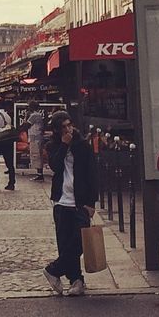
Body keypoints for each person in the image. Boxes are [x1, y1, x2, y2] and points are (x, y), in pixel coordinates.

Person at [42, 112, 99, 297]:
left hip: (80, 202)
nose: (68, 129)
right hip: (61, 201)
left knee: (80, 242)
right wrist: (64, 145)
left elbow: (92, 173)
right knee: (65, 243)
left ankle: (53, 270)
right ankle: (76, 280)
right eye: (64, 127)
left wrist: (91, 202)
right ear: (57, 131)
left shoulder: (82, 145)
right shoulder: (53, 146)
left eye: (70, 125)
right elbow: (55, 167)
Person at [27, 107, 46, 181]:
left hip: (35, 138)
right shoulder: (39, 115)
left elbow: (27, 124)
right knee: (38, 156)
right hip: (38, 137)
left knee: (36, 155)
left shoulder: (34, 115)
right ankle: (39, 174)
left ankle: (40, 175)